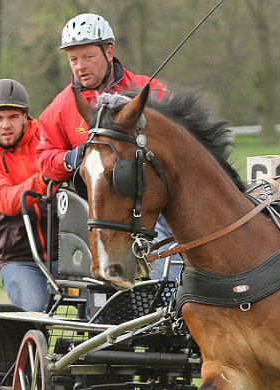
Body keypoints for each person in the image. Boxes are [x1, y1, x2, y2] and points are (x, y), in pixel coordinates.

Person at [36, 13, 181, 280]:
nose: (80, 66)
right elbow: (44, 158)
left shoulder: (149, 89)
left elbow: (185, 136)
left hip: (153, 204)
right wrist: (71, 158)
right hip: (101, 209)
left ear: (109, 51)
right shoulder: (61, 106)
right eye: (73, 59)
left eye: (88, 57)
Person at [0, 78, 58, 312]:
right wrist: (45, 177)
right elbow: (6, 200)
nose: (6, 124)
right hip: (18, 256)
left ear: (26, 117)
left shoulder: (49, 138)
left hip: (67, 250)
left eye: (13, 117)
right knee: (33, 312)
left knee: (100, 307)